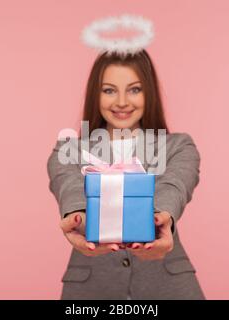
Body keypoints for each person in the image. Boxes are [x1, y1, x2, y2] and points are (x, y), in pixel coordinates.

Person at [47, 47, 206, 299]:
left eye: (134, 89)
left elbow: (174, 186)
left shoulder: (178, 146)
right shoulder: (69, 149)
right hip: (91, 290)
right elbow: (69, 185)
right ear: (95, 95)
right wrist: (78, 217)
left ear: (149, 93)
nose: (122, 102)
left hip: (168, 289)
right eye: (109, 90)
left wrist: (159, 219)